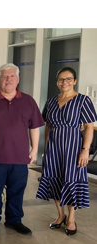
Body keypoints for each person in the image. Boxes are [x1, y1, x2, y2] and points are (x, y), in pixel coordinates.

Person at [0, 63, 45, 235]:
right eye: (4, 77)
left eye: (12, 76)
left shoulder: (28, 101)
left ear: (17, 79)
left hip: (19, 157)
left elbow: (34, 127)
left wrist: (34, 150)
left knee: (17, 191)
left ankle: (14, 220)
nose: (8, 80)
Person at [36, 67, 97, 235]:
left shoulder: (83, 101)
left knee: (71, 181)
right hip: (53, 148)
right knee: (55, 180)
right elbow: (47, 125)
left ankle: (71, 219)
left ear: (75, 81)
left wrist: (85, 150)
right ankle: (60, 215)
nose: (65, 82)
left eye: (69, 79)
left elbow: (90, 127)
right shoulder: (50, 102)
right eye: (61, 79)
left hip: (73, 148)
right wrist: (46, 147)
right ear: (57, 82)